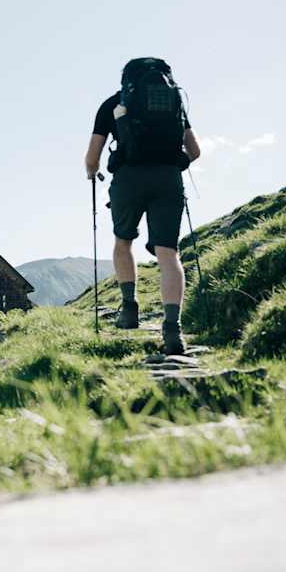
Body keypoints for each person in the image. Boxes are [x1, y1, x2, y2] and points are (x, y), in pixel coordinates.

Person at [83, 59, 201, 354]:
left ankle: (129, 309)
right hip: (168, 180)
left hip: (128, 179)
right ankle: (172, 329)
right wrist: (175, 165)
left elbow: (92, 157)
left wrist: (92, 172)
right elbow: (195, 151)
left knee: (123, 242)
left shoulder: (113, 103)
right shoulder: (173, 103)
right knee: (168, 254)